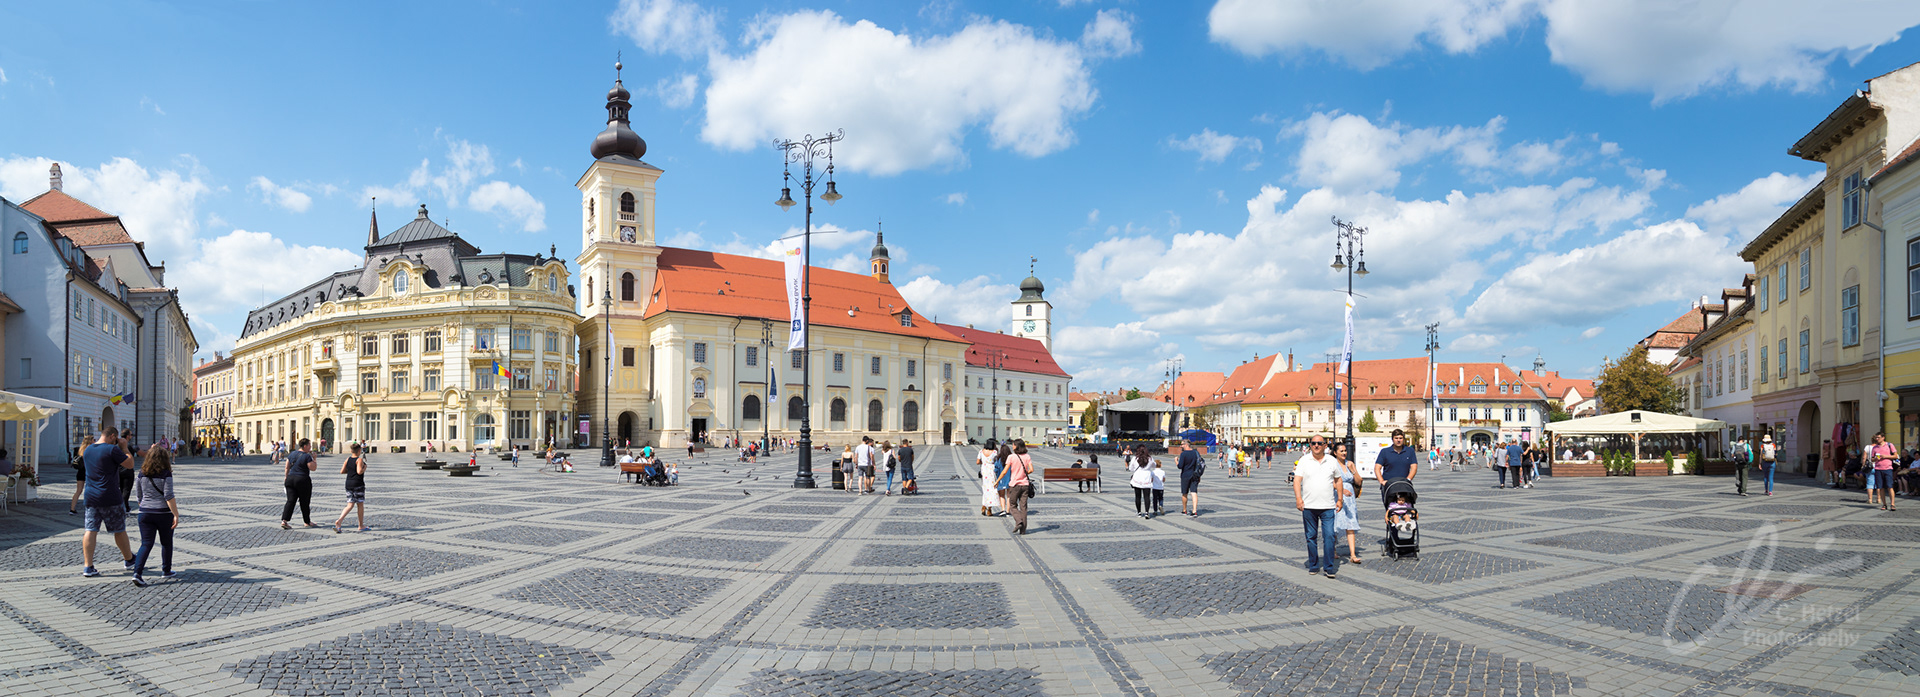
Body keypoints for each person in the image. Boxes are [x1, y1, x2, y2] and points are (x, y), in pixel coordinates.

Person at [79, 426, 137, 578]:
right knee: (119, 530)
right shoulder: (112, 449)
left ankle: (88, 566)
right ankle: (129, 559)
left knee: (90, 530)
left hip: (91, 496)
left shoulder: (88, 449)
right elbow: (130, 464)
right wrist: (124, 448)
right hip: (110, 496)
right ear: (112, 436)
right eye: (115, 439)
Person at [1292, 436, 1345, 579]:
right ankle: (1314, 565)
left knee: (1329, 537)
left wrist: (1340, 499)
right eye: (1313, 443)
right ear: (1310, 445)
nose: (1316, 445)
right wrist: (1298, 499)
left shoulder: (1331, 460)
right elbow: (1297, 481)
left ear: (1325, 445)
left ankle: (1329, 567)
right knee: (1311, 537)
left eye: (1319, 443)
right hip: (1309, 506)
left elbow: (1338, 480)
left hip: (1328, 506)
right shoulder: (1304, 460)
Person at [130, 446, 180, 586]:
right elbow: (168, 496)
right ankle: (166, 570)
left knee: (146, 543)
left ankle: (137, 573)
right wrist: (175, 514)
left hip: (145, 513)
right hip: (163, 514)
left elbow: (139, 495)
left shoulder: (141, 473)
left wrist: (144, 505)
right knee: (166, 542)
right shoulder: (166, 474)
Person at [1332, 442, 1364, 566]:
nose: (1344, 453)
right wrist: (1341, 489)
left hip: (1350, 499)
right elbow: (1330, 481)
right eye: (1341, 451)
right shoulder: (1333, 464)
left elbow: (1359, 481)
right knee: (1337, 522)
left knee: (1351, 524)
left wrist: (1353, 470)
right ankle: (1333, 549)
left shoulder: (1349, 464)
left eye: (1345, 450)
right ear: (1335, 453)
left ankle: (1353, 554)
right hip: (1337, 496)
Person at [280, 438, 318, 529]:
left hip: (290, 479)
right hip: (302, 480)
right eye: (309, 445)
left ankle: (284, 521)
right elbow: (313, 468)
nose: (310, 447)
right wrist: (314, 459)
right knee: (304, 501)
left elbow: (287, 467)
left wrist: (286, 477)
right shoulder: (307, 456)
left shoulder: (292, 454)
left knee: (290, 501)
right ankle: (307, 522)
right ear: (305, 446)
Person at [331, 443, 369, 533]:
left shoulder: (347, 459)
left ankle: (339, 520)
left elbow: (342, 471)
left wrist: (351, 471)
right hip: (357, 484)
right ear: (359, 451)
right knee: (360, 504)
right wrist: (364, 468)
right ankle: (361, 525)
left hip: (348, 483)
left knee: (350, 505)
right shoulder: (359, 460)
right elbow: (359, 471)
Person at [1374, 429, 1417, 506]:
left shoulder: (1409, 451)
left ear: (1403, 439)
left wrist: (1408, 479)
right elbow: (1377, 468)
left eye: (1400, 438)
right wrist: (1382, 481)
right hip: (1389, 485)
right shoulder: (1385, 451)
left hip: (1404, 485)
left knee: (1407, 509)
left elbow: (1414, 467)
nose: (1398, 440)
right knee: (1391, 509)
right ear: (1392, 439)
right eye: (1396, 438)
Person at [1005, 440, 1035, 534]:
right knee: (1023, 507)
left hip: (1015, 485)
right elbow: (1031, 469)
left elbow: (1005, 471)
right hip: (1025, 484)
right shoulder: (1027, 456)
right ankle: (1023, 530)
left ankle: (1018, 521)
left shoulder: (1011, 457)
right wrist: (1024, 474)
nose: (1012, 446)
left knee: (1012, 505)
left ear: (1016, 446)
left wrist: (997, 481)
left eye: (1013, 445)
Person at [1869, 432, 1899, 511]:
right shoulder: (1875, 447)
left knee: (1890, 487)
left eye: (1878, 437)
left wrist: (1886, 456)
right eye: (1876, 437)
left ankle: (1892, 504)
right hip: (1878, 469)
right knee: (1880, 487)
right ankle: (1884, 504)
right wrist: (1875, 459)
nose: (1877, 439)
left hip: (1888, 468)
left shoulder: (1889, 445)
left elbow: (1895, 456)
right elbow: (1872, 459)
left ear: (1883, 438)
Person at [1177, 440, 1205, 518]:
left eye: (1182, 444)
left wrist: (1176, 461)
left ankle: (1184, 510)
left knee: (1184, 493)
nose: (1181, 446)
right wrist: (1199, 476)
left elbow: (1180, 466)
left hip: (1185, 475)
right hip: (1195, 475)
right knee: (1194, 492)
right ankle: (1194, 511)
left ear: (1186, 445)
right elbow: (1198, 464)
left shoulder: (1183, 454)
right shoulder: (1195, 452)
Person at [978, 439, 1001, 516]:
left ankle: (983, 506)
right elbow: (997, 460)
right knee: (991, 489)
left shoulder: (981, 451)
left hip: (984, 470)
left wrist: (984, 462)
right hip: (991, 470)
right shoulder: (994, 452)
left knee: (985, 489)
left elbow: (977, 462)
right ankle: (989, 510)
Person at [1130, 453, 1154, 518]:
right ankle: (1147, 512)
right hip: (1146, 478)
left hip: (1137, 478)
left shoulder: (1135, 458)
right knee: (1147, 497)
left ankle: (1139, 512)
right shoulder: (1150, 458)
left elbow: (1131, 468)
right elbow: (1154, 466)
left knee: (1138, 496)